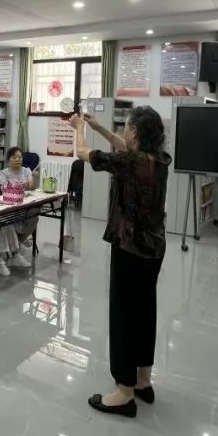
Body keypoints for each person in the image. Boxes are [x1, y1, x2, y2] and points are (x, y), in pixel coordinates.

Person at [69, 107, 170, 418]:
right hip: (154, 247)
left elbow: (83, 154)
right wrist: (98, 127)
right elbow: (124, 146)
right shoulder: (158, 160)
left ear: (135, 132)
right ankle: (143, 380)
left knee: (124, 314)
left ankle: (124, 392)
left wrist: (78, 129)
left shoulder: (129, 163)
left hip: (130, 247)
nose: (124, 132)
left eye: (126, 127)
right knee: (145, 311)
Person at [0, 146, 39, 270]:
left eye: (20, 157)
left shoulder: (26, 170)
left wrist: (34, 178)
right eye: (14, 157)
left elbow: (32, 187)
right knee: (7, 221)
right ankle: (16, 250)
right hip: (10, 206)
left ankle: (19, 240)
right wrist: (20, 186)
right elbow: (4, 189)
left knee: (35, 214)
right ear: (9, 159)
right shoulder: (4, 173)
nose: (17, 160)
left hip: (25, 205)